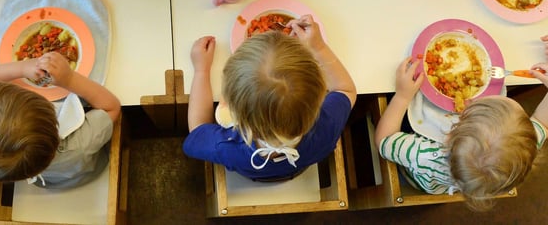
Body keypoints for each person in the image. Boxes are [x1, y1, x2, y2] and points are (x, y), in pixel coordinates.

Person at [183, 16, 356, 181]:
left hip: (251, 171)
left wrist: (201, 70)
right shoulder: (326, 127)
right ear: (319, 97)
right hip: (298, 166)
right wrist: (319, 47)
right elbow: (345, 89)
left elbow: (198, 130)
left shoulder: (226, 146)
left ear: (233, 110)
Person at [375, 53, 548, 210]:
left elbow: (384, 140)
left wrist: (402, 96)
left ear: (451, 132)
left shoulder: (426, 156)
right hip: (462, 183)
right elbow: (542, 122)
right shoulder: (525, 144)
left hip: (419, 175)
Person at [0, 52, 120, 188]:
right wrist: (69, 79)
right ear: (49, 113)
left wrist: (24, 67)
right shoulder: (79, 144)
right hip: (84, 172)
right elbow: (111, 107)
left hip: (45, 180)